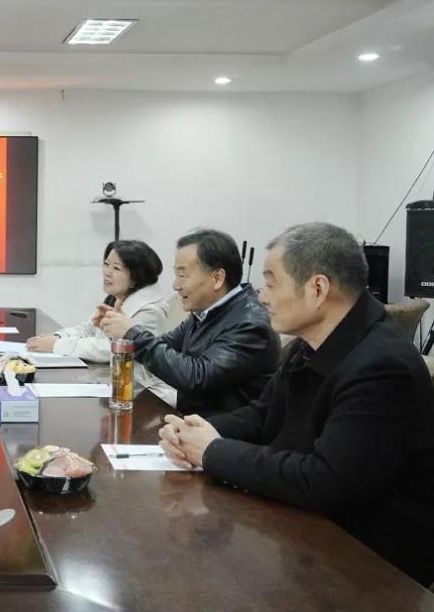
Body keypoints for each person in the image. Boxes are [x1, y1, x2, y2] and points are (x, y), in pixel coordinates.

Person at [158, 223, 434, 586]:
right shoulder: (311, 342)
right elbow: (263, 415)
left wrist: (212, 452)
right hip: (306, 531)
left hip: (369, 564)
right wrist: (197, 432)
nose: (262, 297)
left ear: (318, 288)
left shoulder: (382, 367)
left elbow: (324, 481)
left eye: (272, 283)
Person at [100, 229, 279, 414]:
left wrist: (133, 334)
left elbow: (198, 378)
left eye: (182, 275)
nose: (175, 285)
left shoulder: (250, 323)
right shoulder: (206, 312)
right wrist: (121, 331)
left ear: (217, 278)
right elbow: (164, 346)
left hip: (220, 428)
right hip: (191, 420)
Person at [27, 240, 170, 359]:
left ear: (136, 276)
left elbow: (111, 349)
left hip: (140, 383)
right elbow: (88, 329)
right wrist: (57, 337)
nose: (107, 272)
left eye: (116, 268)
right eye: (106, 264)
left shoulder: (150, 312)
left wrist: (56, 346)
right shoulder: (115, 298)